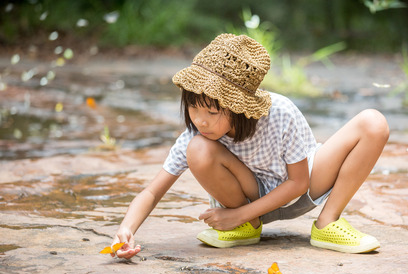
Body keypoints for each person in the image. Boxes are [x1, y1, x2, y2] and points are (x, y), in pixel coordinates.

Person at [111, 33, 389, 259]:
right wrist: (126, 229)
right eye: (194, 108)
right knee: (196, 148)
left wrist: (235, 216)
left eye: (212, 112)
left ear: (238, 107)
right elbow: (152, 191)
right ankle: (248, 228)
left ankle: (327, 222)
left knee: (373, 123)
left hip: (303, 186)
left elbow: (298, 182)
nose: (200, 120)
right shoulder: (197, 134)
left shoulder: (280, 113)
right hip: (248, 196)